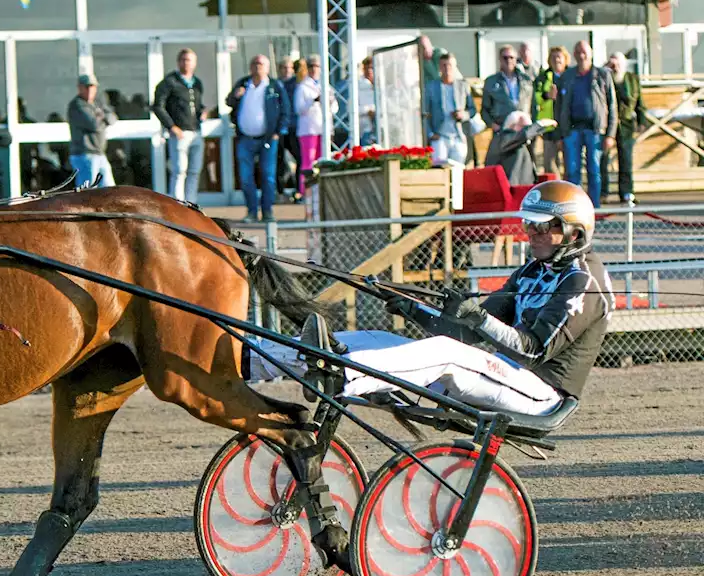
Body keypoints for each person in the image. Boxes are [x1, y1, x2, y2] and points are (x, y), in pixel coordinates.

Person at [249, 179, 613, 418]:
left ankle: (341, 374)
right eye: (528, 222)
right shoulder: (533, 269)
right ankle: (254, 359)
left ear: (573, 232)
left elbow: (533, 349)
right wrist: (412, 308)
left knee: (444, 352)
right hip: (499, 375)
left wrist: (480, 320)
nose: (530, 232)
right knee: (374, 339)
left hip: (541, 393)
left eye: (542, 224)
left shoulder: (583, 282)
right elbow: (465, 333)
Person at [226, 54, 291, 222]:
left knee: (268, 176)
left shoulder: (274, 86)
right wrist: (236, 96)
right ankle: (252, 211)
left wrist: (278, 132)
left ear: (267, 68)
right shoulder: (243, 83)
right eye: (254, 63)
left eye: (261, 63)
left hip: (268, 139)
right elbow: (229, 101)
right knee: (246, 178)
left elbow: (286, 110)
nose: (257, 66)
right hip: (245, 139)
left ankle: (267, 211)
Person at [556, 41, 618, 208]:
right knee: (572, 171)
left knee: (594, 170)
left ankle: (594, 208)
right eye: (578, 52)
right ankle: (575, 208)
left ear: (590, 54)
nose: (581, 55)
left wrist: (611, 134)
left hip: (595, 129)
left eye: (584, 52)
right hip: (572, 129)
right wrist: (560, 134)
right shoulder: (567, 76)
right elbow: (559, 107)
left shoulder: (602, 75)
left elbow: (612, 106)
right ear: (574, 55)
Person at [152, 48, 207, 203]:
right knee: (179, 170)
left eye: (189, 60)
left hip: (196, 131)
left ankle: (191, 203)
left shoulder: (197, 83)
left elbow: (197, 105)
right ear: (178, 62)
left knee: (195, 170)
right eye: (183, 60)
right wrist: (171, 126)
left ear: (195, 63)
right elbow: (157, 106)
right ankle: (177, 203)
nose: (186, 63)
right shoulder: (170, 82)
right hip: (179, 132)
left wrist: (202, 112)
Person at [603, 51, 647, 206]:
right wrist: (606, 69)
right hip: (607, 124)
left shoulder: (632, 79)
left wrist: (642, 121)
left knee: (626, 160)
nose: (616, 67)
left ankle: (626, 192)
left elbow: (639, 103)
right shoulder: (605, 77)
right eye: (613, 63)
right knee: (604, 159)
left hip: (627, 124)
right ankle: (604, 192)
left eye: (619, 63)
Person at [293, 54, 337, 201]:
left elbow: (336, 108)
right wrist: (313, 101)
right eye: (311, 66)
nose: (314, 69)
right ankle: (304, 191)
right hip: (308, 129)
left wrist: (329, 102)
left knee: (322, 159)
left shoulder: (326, 86)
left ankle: (320, 190)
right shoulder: (302, 87)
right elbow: (299, 109)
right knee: (308, 161)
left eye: (317, 66)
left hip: (323, 128)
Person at [423, 53, 477, 166]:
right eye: (444, 65)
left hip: (458, 135)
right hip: (439, 136)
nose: (447, 68)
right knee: (439, 170)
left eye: (450, 65)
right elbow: (424, 112)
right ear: (440, 67)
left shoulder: (462, 86)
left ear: (455, 66)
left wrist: (464, 114)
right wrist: (430, 133)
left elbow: (472, 110)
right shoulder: (431, 86)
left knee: (458, 171)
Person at [66, 74, 117, 188]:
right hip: (84, 155)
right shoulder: (77, 105)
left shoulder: (97, 103)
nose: (90, 90)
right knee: (87, 192)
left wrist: (101, 115)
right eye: (86, 87)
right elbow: (95, 125)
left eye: (92, 87)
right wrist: (103, 118)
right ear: (80, 88)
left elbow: (113, 117)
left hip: (99, 154)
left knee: (109, 190)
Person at [484, 110, 553, 186]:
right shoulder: (503, 138)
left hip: (523, 189)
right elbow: (522, 135)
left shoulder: (518, 142)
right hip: (510, 191)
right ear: (512, 125)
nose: (528, 130)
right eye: (524, 127)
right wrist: (540, 124)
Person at [481, 44, 534, 133]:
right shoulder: (491, 82)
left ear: (516, 59)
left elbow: (533, 106)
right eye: (505, 58)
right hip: (502, 129)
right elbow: (485, 109)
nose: (508, 60)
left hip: (523, 129)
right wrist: (492, 124)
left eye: (511, 57)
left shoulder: (527, 80)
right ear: (500, 59)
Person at [533, 46, 569, 176]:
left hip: (568, 127)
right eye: (553, 57)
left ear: (565, 59)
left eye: (559, 57)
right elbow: (536, 98)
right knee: (550, 164)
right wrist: (547, 95)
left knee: (569, 164)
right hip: (550, 127)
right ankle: (555, 190)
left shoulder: (571, 75)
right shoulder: (543, 77)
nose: (556, 60)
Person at [276, 56, 302, 198]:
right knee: (278, 160)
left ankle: (299, 189)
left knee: (299, 158)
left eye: (289, 68)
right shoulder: (275, 85)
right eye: (284, 68)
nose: (286, 71)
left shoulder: (297, 84)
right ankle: (280, 191)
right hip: (280, 129)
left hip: (294, 127)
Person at [357, 55, 377, 146]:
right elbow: (351, 109)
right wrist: (368, 111)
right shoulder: (358, 86)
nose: (369, 71)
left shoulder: (382, 84)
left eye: (372, 68)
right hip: (365, 129)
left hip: (381, 128)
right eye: (367, 68)